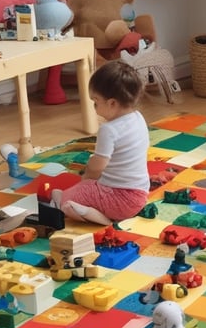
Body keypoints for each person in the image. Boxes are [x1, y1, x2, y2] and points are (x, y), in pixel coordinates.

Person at [54, 60, 150, 225]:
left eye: (96, 102)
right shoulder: (138, 117)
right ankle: (99, 212)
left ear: (112, 103)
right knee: (81, 190)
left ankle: (103, 219)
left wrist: (86, 177)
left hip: (118, 200)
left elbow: (97, 167)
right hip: (140, 196)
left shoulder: (109, 129)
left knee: (62, 198)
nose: (93, 106)